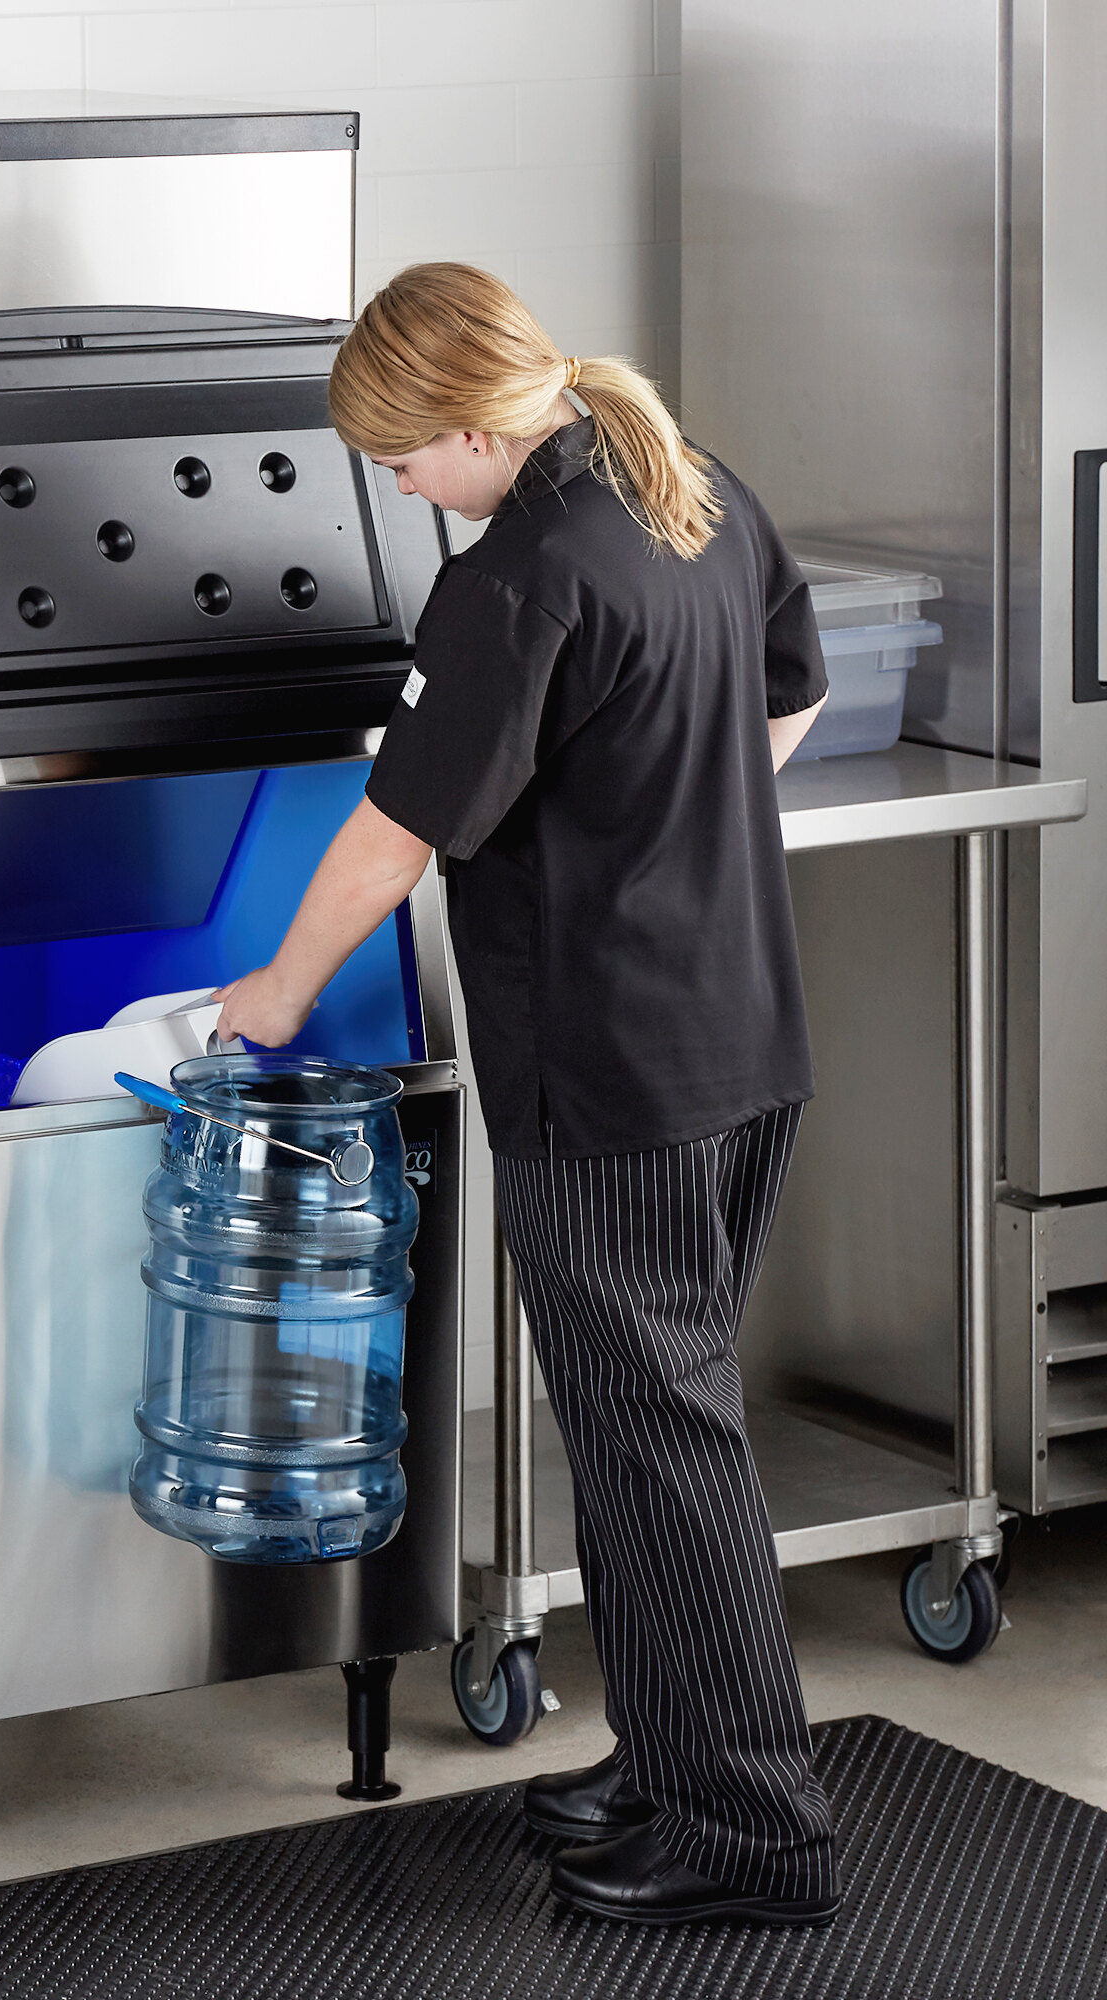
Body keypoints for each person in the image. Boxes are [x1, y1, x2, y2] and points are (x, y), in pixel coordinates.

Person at [213, 263, 839, 1929]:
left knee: (660, 1439)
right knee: (653, 1431)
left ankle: (752, 1837)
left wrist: (270, 993)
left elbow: (395, 832)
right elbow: (794, 699)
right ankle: (674, 1766)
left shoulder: (523, 575)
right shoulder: (688, 484)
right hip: (747, 1040)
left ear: (478, 426)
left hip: (613, 1070)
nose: (397, 489)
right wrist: (658, 811)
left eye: (404, 458)